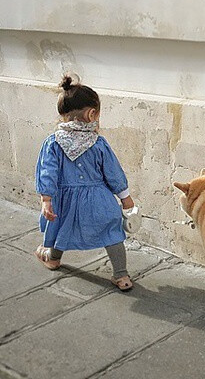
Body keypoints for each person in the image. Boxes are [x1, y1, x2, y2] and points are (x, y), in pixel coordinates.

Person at [34, 73, 135, 290]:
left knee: (60, 226)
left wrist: (46, 199)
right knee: (111, 231)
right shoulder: (98, 143)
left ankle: (53, 259)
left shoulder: (52, 143)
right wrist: (125, 198)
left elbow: (47, 173)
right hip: (98, 199)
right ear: (91, 114)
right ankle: (122, 275)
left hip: (64, 199)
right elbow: (113, 172)